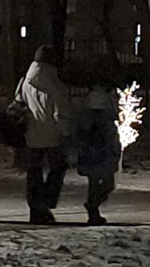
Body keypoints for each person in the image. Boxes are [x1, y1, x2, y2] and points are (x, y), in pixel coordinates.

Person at [16, 45, 73, 224]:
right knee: (58, 168)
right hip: (52, 136)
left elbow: (18, 104)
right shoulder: (56, 85)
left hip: (31, 134)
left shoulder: (25, 81)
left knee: (34, 172)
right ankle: (46, 202)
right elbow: (60, 113)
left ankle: (35, 208)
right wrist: (66, 133)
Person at [76, 70, 122, 226]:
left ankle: (93, 210)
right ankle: (93, 207)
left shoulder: (95, 97)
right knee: (105, 182)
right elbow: (102, 122)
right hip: (100, 147)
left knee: (95, 182)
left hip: (94, 147)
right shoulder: (99, 98)